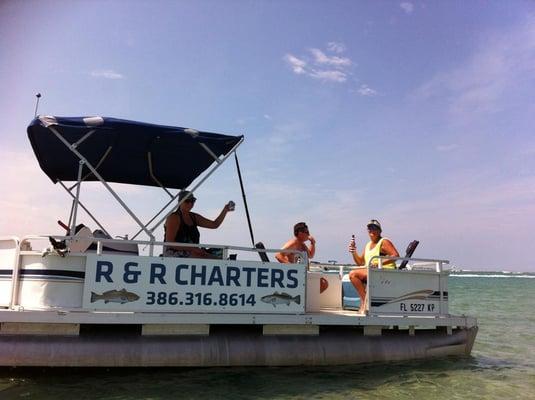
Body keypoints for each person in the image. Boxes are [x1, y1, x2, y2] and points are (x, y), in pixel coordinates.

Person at [348, 219, 399, 313]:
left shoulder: (384, 241)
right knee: (353, 273)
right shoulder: (368, 245)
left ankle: (365, 302)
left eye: (374, 228)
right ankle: (365, 301)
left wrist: (378, 263)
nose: (371, 230)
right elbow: (360, 263)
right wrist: (353, 252)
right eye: (369, 228)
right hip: (372, 272)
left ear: (379, 231)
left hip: (384, 272)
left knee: (353, 274)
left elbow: (395, 256)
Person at [164, 190, 233, 258]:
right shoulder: (174, 217)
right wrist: (193, 249)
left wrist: (225, 210)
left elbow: (214, 224)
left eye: (192, 201)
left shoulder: (194, 217)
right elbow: (170, 242)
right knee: (206, 257)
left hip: (194, 252)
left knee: (220, 254)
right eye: (187, 201)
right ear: (180, 202)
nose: (190, 204)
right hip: (174, 253)